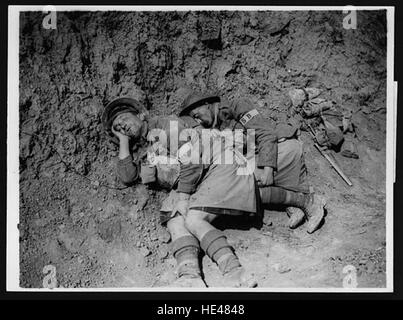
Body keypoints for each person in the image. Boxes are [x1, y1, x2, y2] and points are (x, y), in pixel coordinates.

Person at [177, 91, 326, 232]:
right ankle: (293, 202)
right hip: (250, 158)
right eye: (194, 118)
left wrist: (268, 168)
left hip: (275, 150)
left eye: (197, 115)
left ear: (207, 104)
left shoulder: (237, 106)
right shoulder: (210, 126)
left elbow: (265, 134)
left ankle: (311, 202)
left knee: (243, 181)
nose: (198, 120)